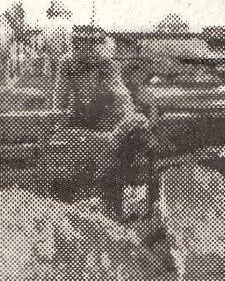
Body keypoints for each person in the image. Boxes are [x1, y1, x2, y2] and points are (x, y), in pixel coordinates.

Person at [51, 25, 153, 217]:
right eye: (81, 43)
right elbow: (60, 98)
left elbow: (122, 101)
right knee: (70, 163)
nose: (86, 49)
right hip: (80, 121)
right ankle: (71, 207)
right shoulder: (67, 63)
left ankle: (113, 209)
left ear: (98, 44)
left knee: (114, 163)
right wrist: (58, 129)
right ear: (75, 44)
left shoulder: (107, 64)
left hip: (106, 123)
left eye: (92, 44)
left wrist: (121, 129)